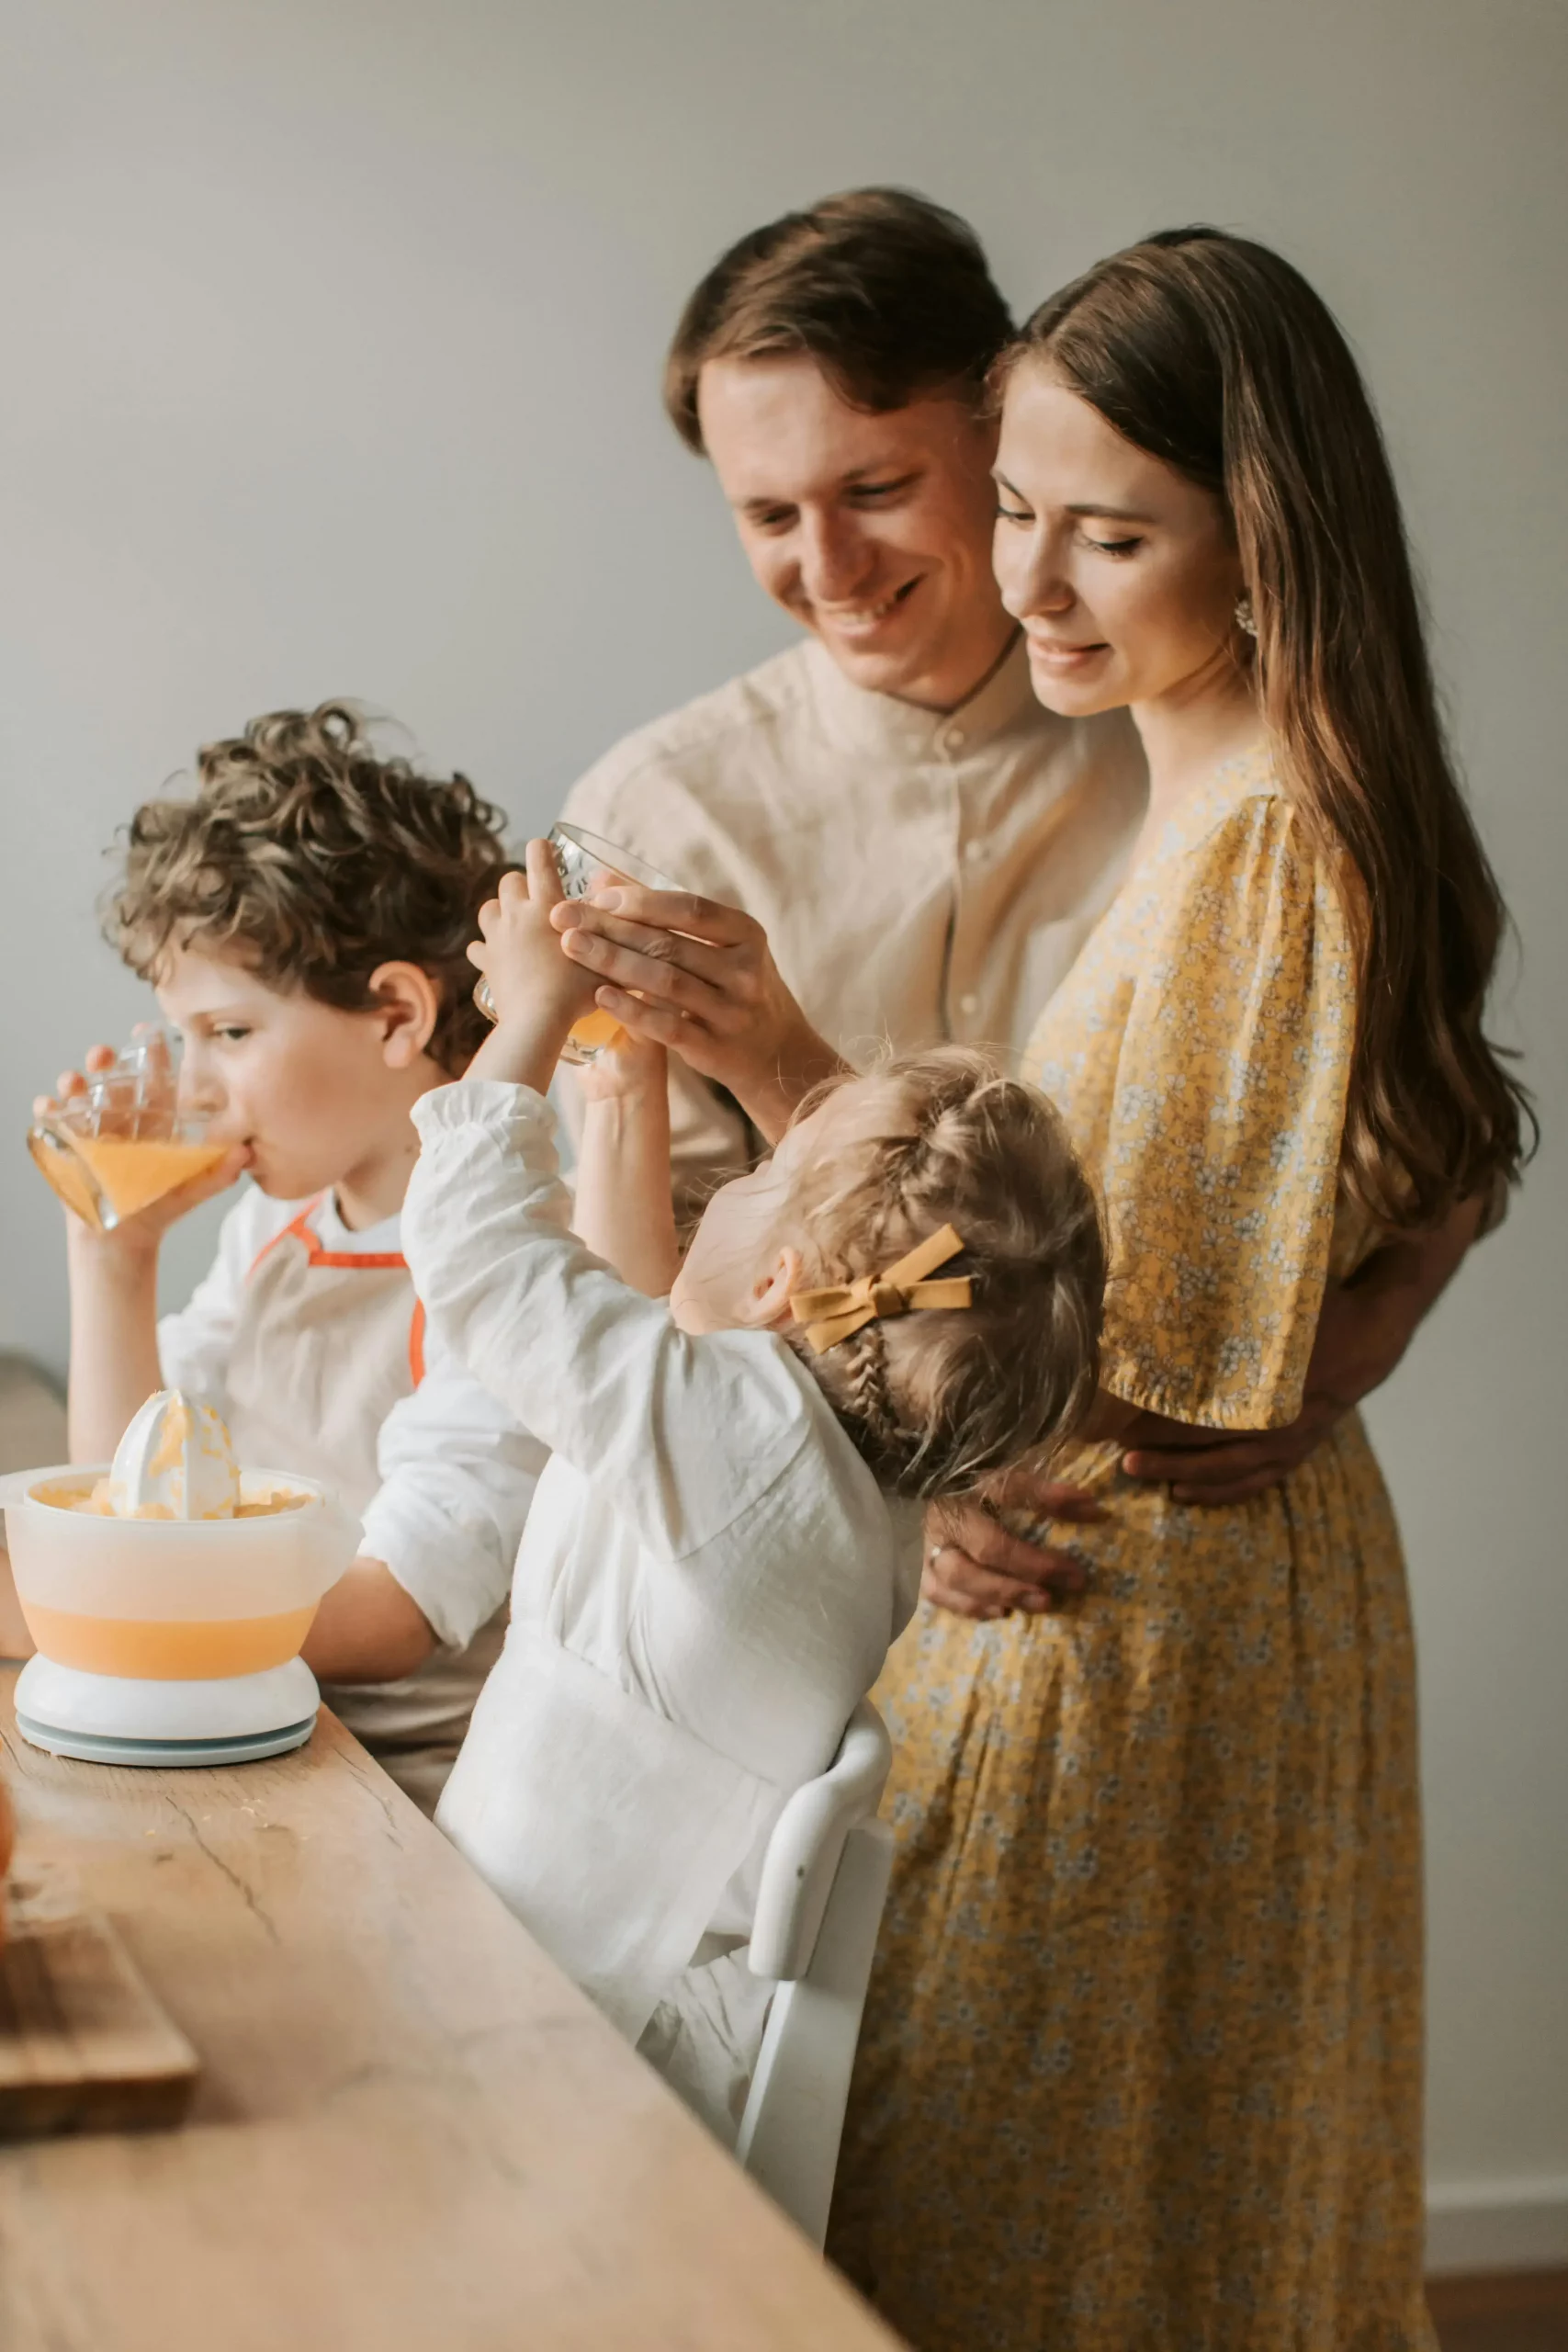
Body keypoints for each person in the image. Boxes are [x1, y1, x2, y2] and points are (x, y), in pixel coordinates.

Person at [548, 225, 1530, 2346]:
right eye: (1016, 516)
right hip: (1014, 1578)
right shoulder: (713, 798)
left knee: (1018, 2222)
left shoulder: (1236, 823)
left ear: (1254, 538)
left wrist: (790, 1069)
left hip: (1103, 1594)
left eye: (1099, 530)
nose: (1027, 579)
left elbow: (1147, 1353)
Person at [558, 184, 1480, 1611]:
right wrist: (885, 1472)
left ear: (1000, 419)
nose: (827, 568)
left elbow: (1417, 1097)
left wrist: (1376, 1320)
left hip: (1161, 1573)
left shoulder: (1202, 745)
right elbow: (639, 1268)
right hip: (805, 1580)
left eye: (875, 490)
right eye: (767, 513)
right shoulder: (651, 817)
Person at [397, 844, 1105, 2142]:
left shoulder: (739, 1447)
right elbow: (638, 1334)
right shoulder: (830, 1476)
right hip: (605, 2027)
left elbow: (473, 1243)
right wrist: (623, 1090)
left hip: (537, 2056)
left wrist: (535, 1010)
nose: (734, 1179)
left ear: (781, 1287)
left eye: (761, 1174)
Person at [45, 705, 546, 1813]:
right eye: (183, 1038)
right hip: (247, 1722)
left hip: (403, 1799)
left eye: (229, 1034)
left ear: (396, 1015)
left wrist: (116, 1612)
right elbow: (137, 1493)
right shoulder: (282, 1222)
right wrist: (113, 1256)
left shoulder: (505, 1259)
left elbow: (392, 1616)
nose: (193, 1087)